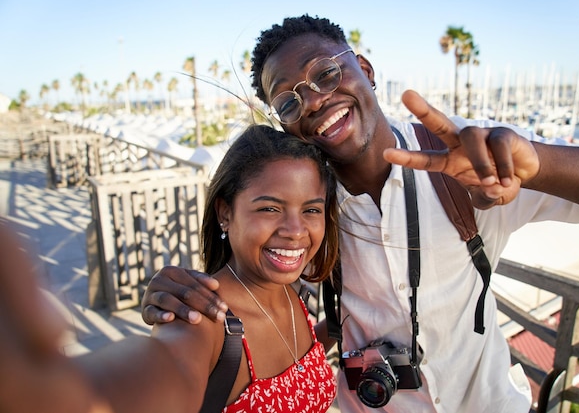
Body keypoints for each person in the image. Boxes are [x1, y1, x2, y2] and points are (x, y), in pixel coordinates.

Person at [140, 15, 579, 413]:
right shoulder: (307, 215)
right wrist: (187, 301)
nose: (314, 100)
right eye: (288, 101)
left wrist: (541, 164)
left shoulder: (466, 162)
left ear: (365, 69)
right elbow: (255, 291)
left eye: (326, 73)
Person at [0, 124, 340, 413]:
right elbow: (159, 368)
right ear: (225, 212)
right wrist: (45, 388)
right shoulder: (202, 317)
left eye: (311, 210)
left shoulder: (291, 291)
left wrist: (347, 328)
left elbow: (299, 364)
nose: (296, 230)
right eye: (270, 208)